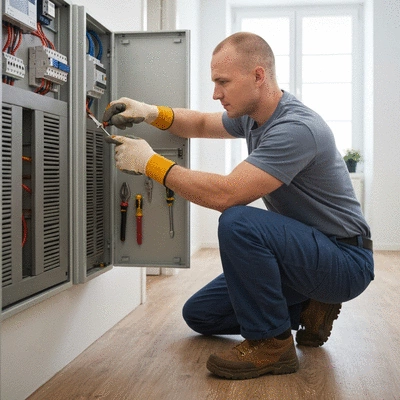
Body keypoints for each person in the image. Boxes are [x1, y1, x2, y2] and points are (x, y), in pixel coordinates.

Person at [102, 32, 374, 380]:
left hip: (344, 260)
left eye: (223, 82)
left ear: (258, 76)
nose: (216, 93)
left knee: (238, 220)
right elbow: (199, 123)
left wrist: (150, 164)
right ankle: (310, 305)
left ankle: (272, 345)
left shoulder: (296, 128)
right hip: (304, 254)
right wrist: (150, 112)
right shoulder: (253, 117)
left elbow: (227, 195)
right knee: (200, 314)